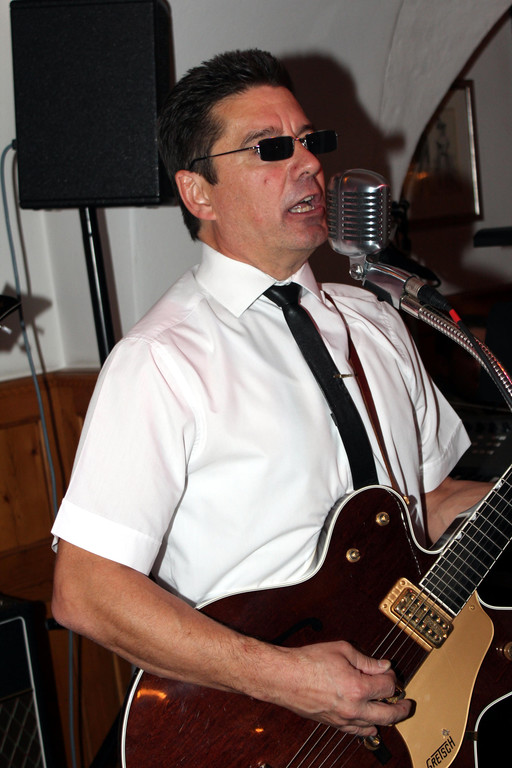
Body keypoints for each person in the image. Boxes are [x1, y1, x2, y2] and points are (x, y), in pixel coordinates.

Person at [51, 49, 490, 738]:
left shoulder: (375, 320)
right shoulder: (161, 361)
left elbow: (426, 503)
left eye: (309, 141)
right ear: (198, 193)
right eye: (271, 148)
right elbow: (85, 591)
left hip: (408, 692)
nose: (309, 163)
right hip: (263, 727)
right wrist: (288, 678)